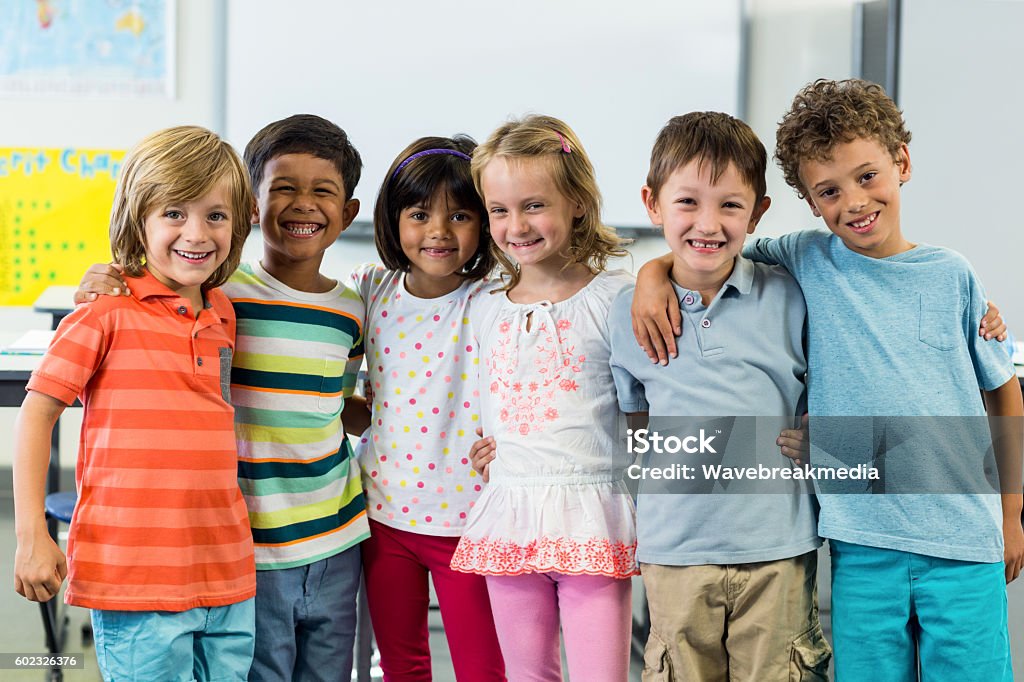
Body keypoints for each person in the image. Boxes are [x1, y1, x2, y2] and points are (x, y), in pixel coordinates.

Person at [633, 79, 1024, 681]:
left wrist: (1012, 515)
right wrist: (651, 275)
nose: (854, 202)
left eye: (868, 177)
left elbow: (1003, 392)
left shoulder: (953, 276)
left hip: (964, 541)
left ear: (903, 163)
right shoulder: (806, 257)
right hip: (859, 545)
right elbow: (709, 245)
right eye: (830, 191)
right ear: (812, 203)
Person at [74, 115, 371, 681]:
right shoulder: (216, 296)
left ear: (347, 212)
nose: (302, 204)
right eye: (283, 187)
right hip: (246, 544)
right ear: (252, 207)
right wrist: (103, 281)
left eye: (322, 192)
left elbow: (337, 403)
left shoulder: (353, 309)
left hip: (336, 534)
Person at [14, 126, 256, 681]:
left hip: (226, 572)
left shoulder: (222, 313)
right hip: (135, 579)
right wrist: (32, 534)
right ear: (137, 218)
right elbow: (38, 413)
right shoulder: (103, 313)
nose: (196, 233)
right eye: (174, 212)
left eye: (216, 216)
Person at [608, 111, 830, 680]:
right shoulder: (624, 313)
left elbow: (820, 395)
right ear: (652, 203)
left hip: (778, 549)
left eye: (730, 205)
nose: (708, 223)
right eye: (687, 202)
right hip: (676, 552)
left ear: (758, 212)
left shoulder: (792, 295)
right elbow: (632, 426)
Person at [449, 114, 637, 682]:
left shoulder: (614, 300)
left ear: (577, 201)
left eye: (534, 205)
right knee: (528, 675)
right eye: (499, 211)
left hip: (590, 514)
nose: (515, 225)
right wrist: (491, 445)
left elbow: (641, 406)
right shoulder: (483, 305)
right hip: (511, 511)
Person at [350, 135, 505, 681]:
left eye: (460, 215)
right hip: (383, 515)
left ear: (485, 223)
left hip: (469, 519)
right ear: (393, 221)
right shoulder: (371, 289)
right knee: (399, 664)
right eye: (419, 214)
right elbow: (340, 395)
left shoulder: (495, 295)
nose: (439, 231)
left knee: (482, 667)